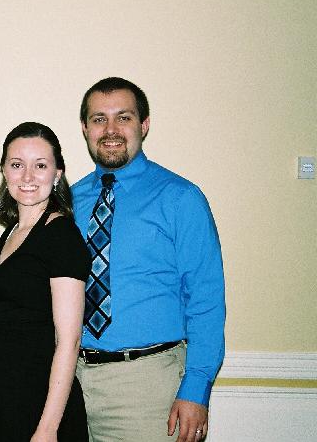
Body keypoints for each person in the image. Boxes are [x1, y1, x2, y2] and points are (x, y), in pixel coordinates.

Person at [72, 77, 226, 442]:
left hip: (149, 388)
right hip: (73, 385)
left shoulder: (181, 198)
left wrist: (196, 388)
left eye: (123, 117)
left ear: (144, 125)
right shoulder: (70, 201)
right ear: (85, 129)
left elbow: (205, 299)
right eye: (99, 119)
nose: (111, 130)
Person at [0, 122, 90, 442]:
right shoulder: (11, 233)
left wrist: (47, 428)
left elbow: (69, 341)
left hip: (41, 404)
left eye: (40, 166)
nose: (27, 176)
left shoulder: (61, 236)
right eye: (17, 165)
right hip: (4, 397)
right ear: (4, 171)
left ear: (57, 174)